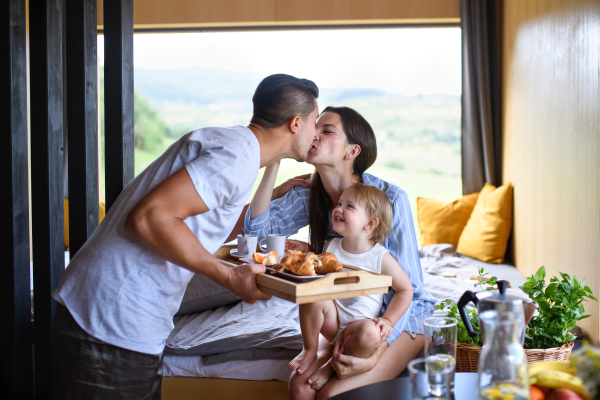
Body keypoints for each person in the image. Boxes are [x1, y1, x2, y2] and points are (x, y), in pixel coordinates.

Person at [50, 74, 320, 399]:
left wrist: (275, 192)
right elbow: (150, 218)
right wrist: (229, 276)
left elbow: (209, 219)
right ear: (295, 124)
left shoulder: (236, 149)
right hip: (111, 317)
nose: (316, 132)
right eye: (316, 122)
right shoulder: (236, 158)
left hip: (120, 317)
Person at [243, 106, 437, 399]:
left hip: (400, 322)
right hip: (344, 320)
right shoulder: (308, 194)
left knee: (331, 393)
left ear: (352, 151)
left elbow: (412, 291)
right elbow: (256, 236)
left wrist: (376, 350)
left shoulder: (390, 199)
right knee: (299, 388)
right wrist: (275, 161)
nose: (314, 135)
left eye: (327, 130)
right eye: (314, 128)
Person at [289, 183, 414, 393]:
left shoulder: (380, 257)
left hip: (359, 328)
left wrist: (388, 320)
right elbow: (318, 264)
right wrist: (305, 250)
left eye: (349, 206)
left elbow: (406, 290)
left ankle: (330, 367)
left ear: (370, 223)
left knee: (371, 335)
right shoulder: (332, 247)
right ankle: (309, 349)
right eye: (339, 204)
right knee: (311, 294)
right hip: (333, 324)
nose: (338, 209)